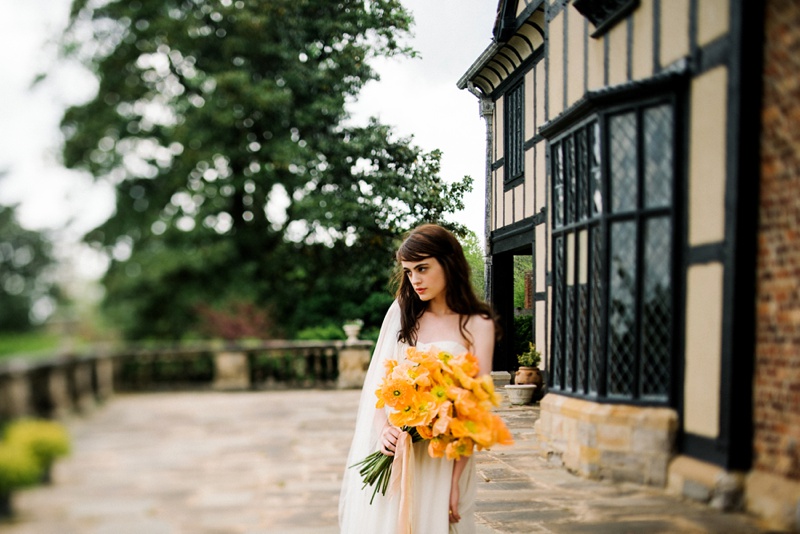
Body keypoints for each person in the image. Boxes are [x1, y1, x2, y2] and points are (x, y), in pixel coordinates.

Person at [339, 223, 496, 534]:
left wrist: (455, 482)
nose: (415, 280)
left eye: (422, 268)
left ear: (449, 262)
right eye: (409, 271)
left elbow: (474, 410)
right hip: (397, 450)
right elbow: (380, 387)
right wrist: (383, 428)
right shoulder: (403, 313)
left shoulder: (478, 324)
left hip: (444, 456)